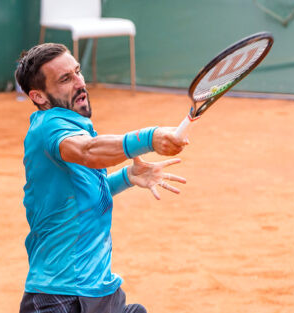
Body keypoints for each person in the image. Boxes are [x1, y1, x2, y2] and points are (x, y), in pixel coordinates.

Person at [15, 43, 188, 313]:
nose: (79, 83)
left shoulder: (75, 125)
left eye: (77, 72)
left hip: (99, 291)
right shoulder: (48, 126)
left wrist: (127, 176)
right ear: (39, 97)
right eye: (65, 79)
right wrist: (149, 138)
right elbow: (89, 152)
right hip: (59, 295)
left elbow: (80, 197)